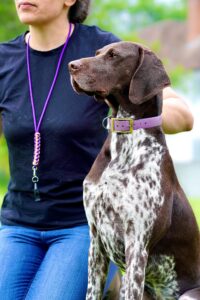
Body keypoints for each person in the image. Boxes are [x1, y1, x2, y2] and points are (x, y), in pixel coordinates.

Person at [0, 0, 194, 300]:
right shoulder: (4, 60)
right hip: (18, 224)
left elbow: (182, 113)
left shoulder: (103, 50)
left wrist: (134, 123)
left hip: (82, 227)